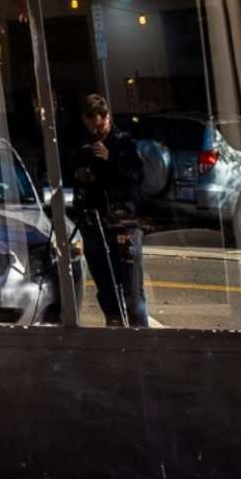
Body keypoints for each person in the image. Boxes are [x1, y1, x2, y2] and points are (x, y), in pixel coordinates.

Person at [62, 91, 155, 329]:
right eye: (91, 124)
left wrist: (111, 159)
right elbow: (73, 175)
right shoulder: (83, 145)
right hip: (96, 224)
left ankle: (139, 335)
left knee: (132, 292)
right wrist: (82, 175)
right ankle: (114, 329)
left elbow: (137, 177)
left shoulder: (123, 142)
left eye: (100, 124)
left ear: (107, 118)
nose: (97, 130)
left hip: (124, 223)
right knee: (107, 290)